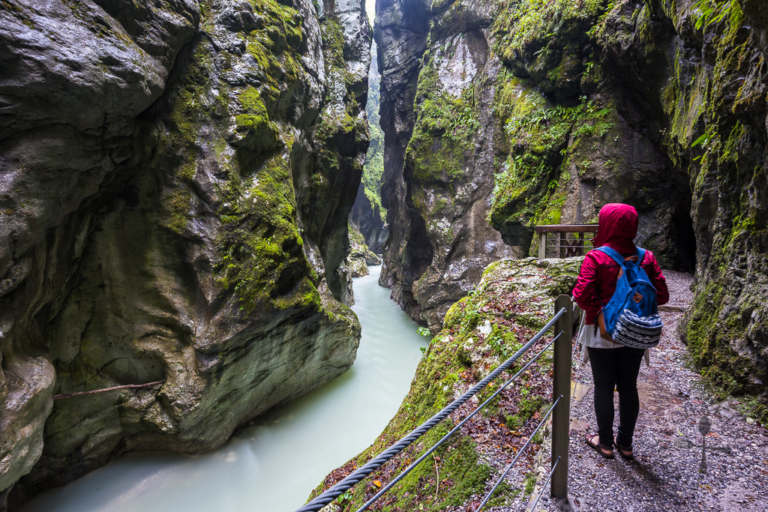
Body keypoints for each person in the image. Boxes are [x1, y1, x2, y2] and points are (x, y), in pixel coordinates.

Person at [572, 203, 669, 460]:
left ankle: (605, 444)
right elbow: (662, 295)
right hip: (636, 332)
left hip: (602, 333)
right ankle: (625, 444)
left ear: (607, 224)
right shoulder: (646, 257)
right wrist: (633, 307)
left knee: (603, 386)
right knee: (628, 386)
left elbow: (581, 295)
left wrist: (600, 312)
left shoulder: (596, 257)